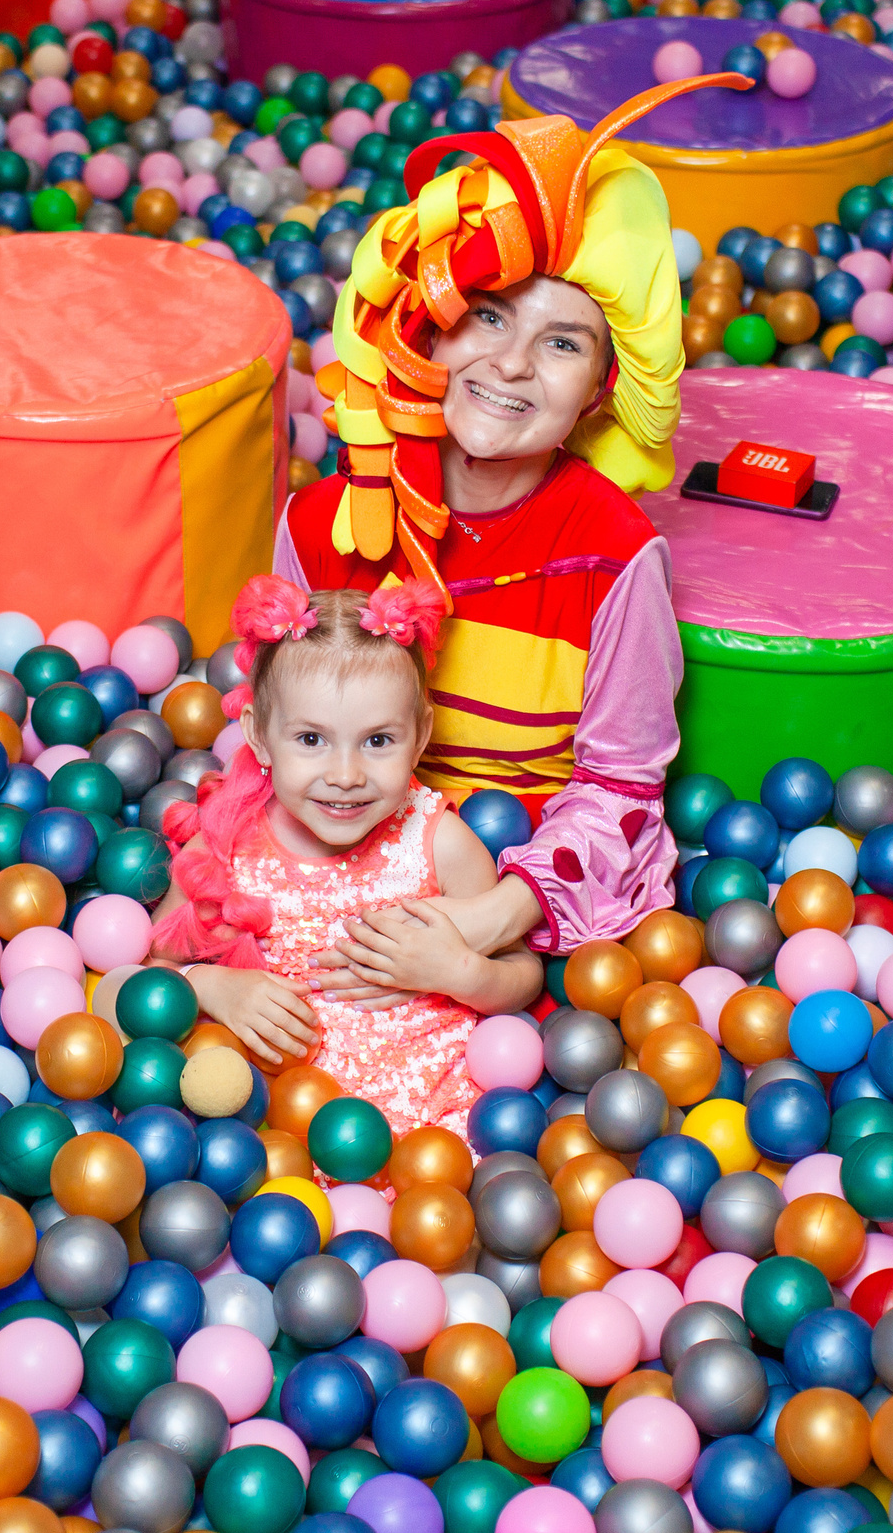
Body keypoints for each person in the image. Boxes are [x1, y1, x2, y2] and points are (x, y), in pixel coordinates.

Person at [276, 73, 746, 1003]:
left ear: (603, 391)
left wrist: (480, 925)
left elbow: (619, 792)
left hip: (518, 903)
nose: (513, 363)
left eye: (563, 342)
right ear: (430, 329)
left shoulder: (615, 554)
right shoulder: (324, 520)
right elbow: (274, 733)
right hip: (343, 842)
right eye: (489, 316)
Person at [148, 575, 543, 1137]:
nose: (346, 775)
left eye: (378, 741)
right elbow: (144, 972)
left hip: (439, 1131)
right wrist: (210, 987)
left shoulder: (439, 840)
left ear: (421, 733)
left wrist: (460, 972)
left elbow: (524, 973)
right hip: (274, 1138)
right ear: (259, 735)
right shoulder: (222, 846)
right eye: (311, 740)